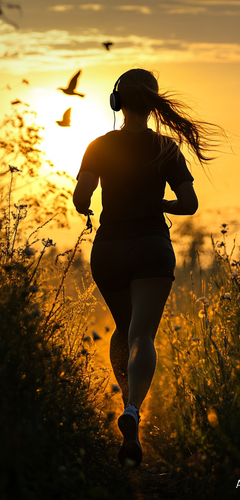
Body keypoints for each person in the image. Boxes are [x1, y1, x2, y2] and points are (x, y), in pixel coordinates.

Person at [73, 68, 222, 468]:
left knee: (123, 328)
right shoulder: (166, 149)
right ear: (153, 102)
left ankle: (126, 402)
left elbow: (80, 196)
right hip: (152, 249)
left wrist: (87, 206)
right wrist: (159, 206)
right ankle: (134, 409)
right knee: (142, 334)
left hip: (108, 250)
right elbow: (188, 204)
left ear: (117, 102)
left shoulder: (98, 145)